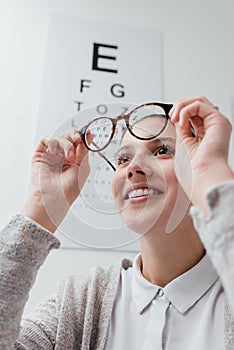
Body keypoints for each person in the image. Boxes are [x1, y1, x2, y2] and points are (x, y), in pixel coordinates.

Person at [0, 96, 234, 349]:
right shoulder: (81, 301)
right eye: (123, 159)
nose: (132, 169)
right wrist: (41, 206)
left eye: (162, 151)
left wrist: (212, 174)